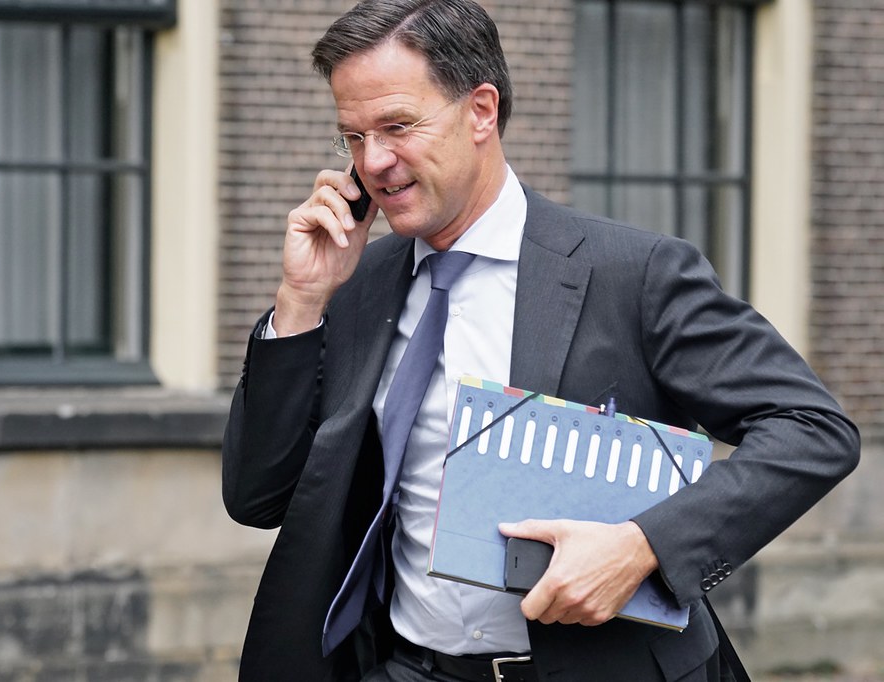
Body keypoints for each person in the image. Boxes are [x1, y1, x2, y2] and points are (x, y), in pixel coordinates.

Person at [222, 1, 860, 680]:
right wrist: (300, 302)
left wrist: (643, 546)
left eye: (397, 126)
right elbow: (259, 498)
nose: (373, 161)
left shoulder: (634, 274)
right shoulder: (358, 284)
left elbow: (812, 428)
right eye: (352, 137)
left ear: (481, 111)